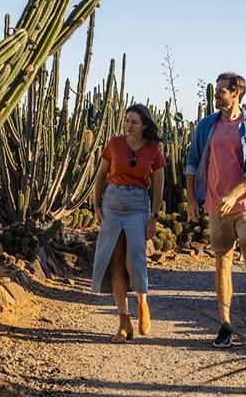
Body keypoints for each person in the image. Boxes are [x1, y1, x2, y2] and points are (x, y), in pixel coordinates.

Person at [185, 72, 246, 348]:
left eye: (222, 90)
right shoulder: (207, 125)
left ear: (237, 93)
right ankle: (225, 325)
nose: (217, 94)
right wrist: (190, 199)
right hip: (215, 204)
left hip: (245, 203)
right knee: (222, 261)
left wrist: (233, 195)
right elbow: (192, 162)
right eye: (217, 90)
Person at [91, 104, 166, 343]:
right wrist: (96, 205)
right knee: (115, 261)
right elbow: (101, 174)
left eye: (134, 121)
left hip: (137, 204)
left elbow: (159, 185)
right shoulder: (114, 144)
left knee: (134, 259)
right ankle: (123, 321)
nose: (128, 125)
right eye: (126, 121)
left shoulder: (154, 150)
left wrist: (153, 217)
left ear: (145, 125)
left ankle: (142, 302)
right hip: (112, 202)